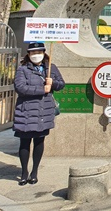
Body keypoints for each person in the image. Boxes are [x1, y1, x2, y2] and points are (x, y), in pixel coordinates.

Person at [13, 42, 65, 186]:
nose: (36, 55)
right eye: (33, 52)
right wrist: (42, 89)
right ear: (28, 54)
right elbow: (20, 88)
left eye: (39, 52)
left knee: (39, 141)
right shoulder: (22, 69)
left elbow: (61, 84)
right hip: (26, 111)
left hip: (43, 111)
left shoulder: (50, 68)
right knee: (24, 142)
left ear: (43, 53)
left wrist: (52, 83)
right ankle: (24, 172)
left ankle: (34, 172)